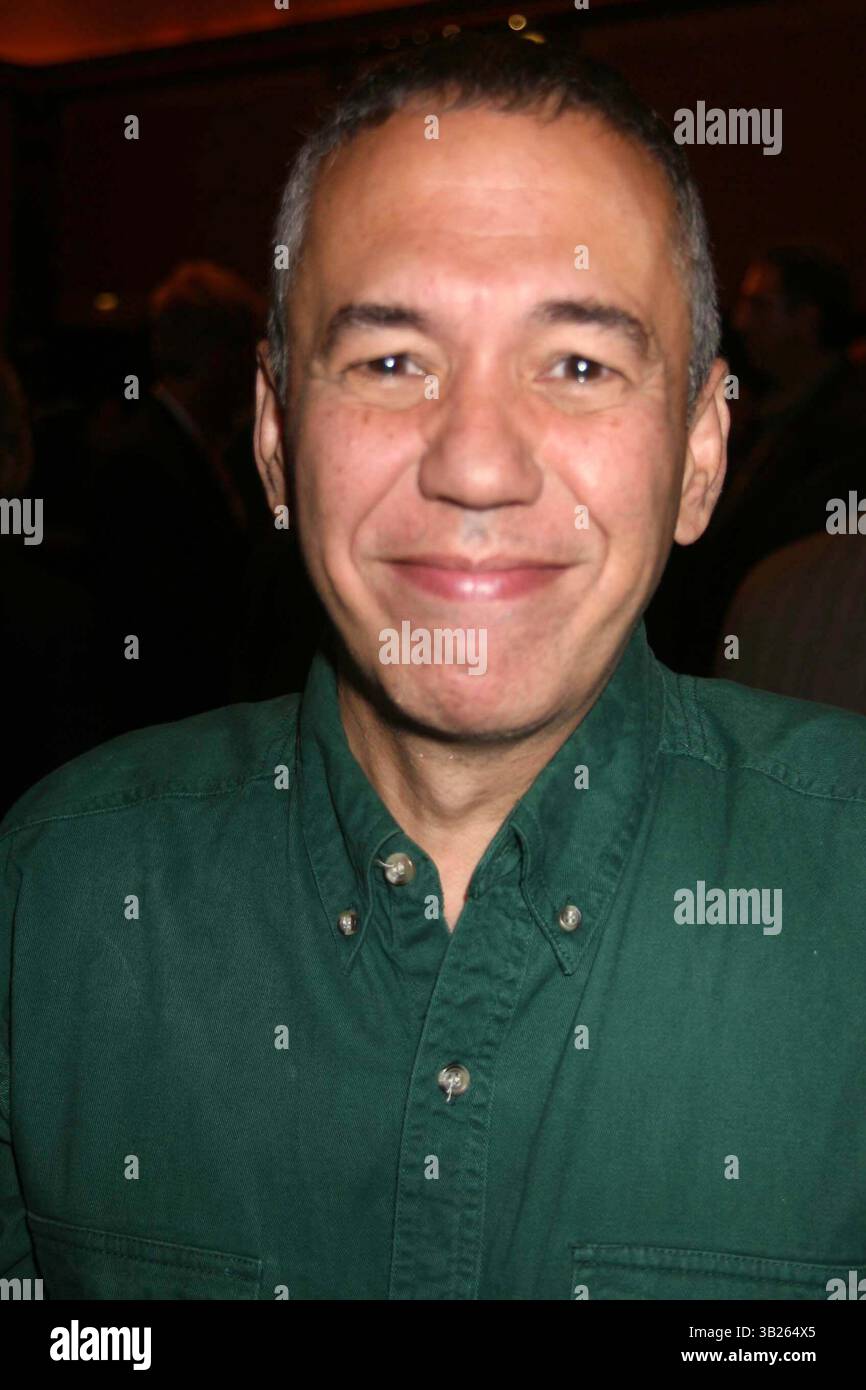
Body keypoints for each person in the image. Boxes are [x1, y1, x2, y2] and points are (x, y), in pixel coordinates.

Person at [2, 34, 865, 1302]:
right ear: (274, 435)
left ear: (698, 452)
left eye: (577, 364)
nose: (474, 463)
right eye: (390, 361)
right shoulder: (51, 897)